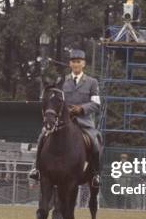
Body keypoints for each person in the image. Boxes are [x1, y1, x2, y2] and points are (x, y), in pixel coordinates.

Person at [28, 49, 102, 188]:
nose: (76, 64)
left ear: (83, 64)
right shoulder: (62, 81)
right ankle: (36, 169)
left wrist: (81, 109)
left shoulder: (92, 82)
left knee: (95, 142)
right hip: (62, 120)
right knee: (42, 136)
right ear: (70, 64)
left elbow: (96, 104)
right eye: (73, 62)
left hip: (83, 121)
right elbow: (55, 99)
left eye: (78, 62)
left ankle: (95, 175)